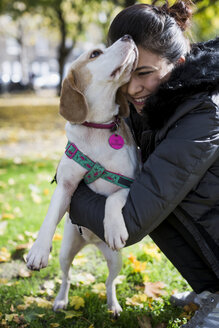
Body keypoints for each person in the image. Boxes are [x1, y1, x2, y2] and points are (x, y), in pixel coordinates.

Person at [69, 1, 219, 327]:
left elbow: (131, 221)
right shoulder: (150, 106)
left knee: (149, 199)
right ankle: (212, 290)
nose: (132, 88)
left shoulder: (204, 113)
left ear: (178, 66)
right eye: (126, 74)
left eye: (145, 73)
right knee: (151, 189)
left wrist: (70, 192)